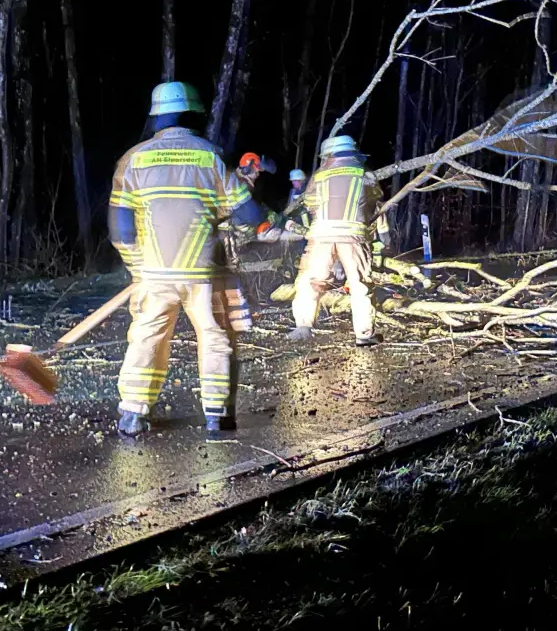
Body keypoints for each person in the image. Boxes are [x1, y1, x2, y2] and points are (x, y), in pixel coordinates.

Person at [108, 81, 276, 437]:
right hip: (203, 274)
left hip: (154, 274)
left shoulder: (132, 160)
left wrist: (137, 268)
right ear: (193, 114)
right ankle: (218, 416)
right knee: (215, 337)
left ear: (158, 118)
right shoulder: (209, 156)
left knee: (147, 338)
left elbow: (121, 231)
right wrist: (266, 225)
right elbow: (246, 211)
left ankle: (133, 415)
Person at [288, 135, 386, 346]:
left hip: (321, 234)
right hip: (353, 235)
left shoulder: (320, 174)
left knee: (311, 279)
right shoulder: (365, 173)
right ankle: (364, 334)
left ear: (329, 155)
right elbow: (375, 203)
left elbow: (310, 203)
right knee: (360, 284)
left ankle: (303, 326)